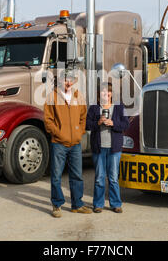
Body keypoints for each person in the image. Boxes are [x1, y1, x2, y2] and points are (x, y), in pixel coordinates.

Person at [44, 69, 91, 218]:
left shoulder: (78, 96)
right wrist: (58, 133)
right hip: (59, 143)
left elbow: (83, 116)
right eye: (65, 80)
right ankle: (57, 205)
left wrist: (79, 132)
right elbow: (48, 120)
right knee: (56, 176)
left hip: (75, 143)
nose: (68, 83)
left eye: (71, 80)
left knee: (77, 175)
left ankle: (77, 204)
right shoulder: (52, 97)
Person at [85, 82, 129, 213]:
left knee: (113, 177)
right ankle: (98, 204)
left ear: (111, 94)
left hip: (114, 148)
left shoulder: (119, 107)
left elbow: (126, 124)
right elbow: (86, 125)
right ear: (99, 94)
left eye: (108, 91)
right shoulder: (94, 108)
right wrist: (97, 123)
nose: (106, 93)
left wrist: (113, 123)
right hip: (99, 148)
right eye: (103, 91)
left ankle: (115, 203)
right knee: (99, 177)